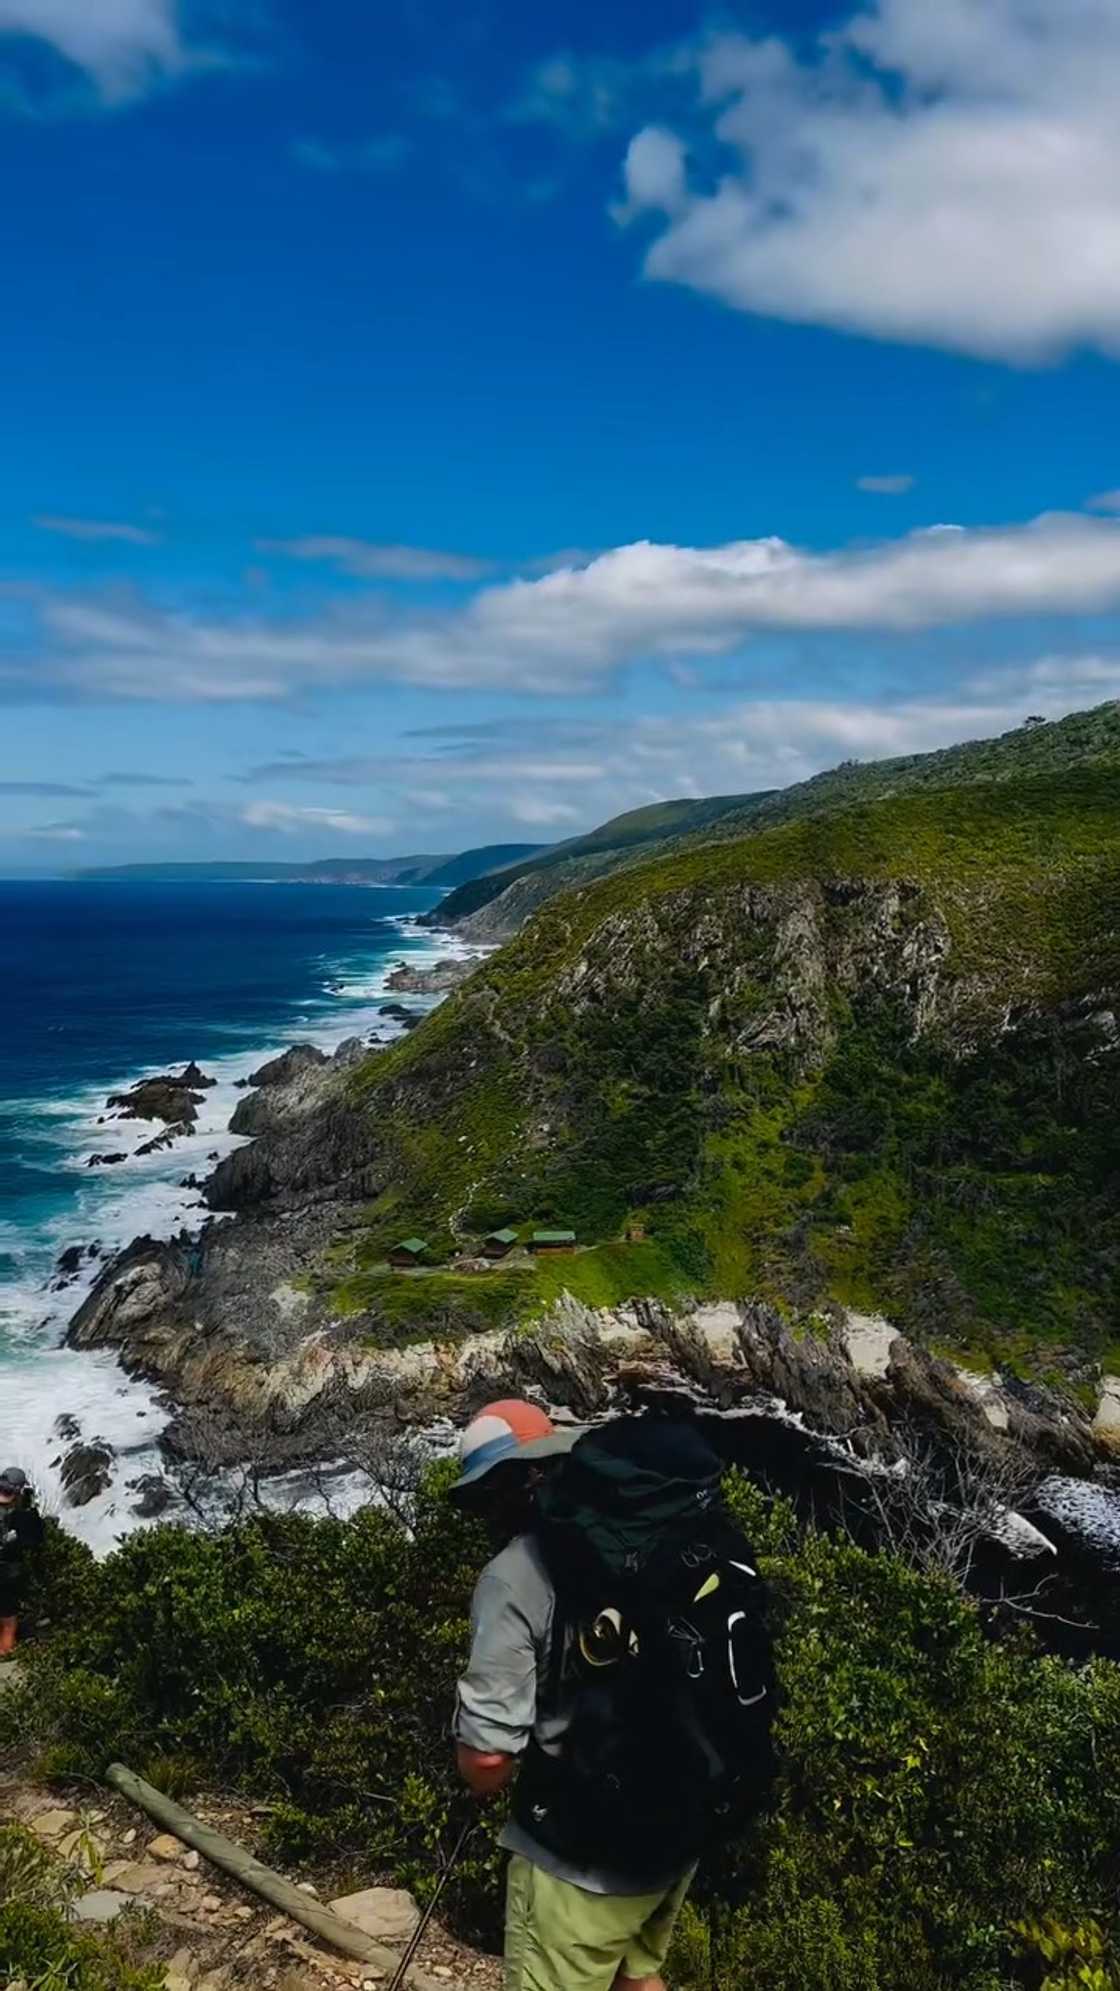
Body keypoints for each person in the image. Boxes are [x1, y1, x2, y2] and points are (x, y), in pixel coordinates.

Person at [451, 1403, 773, 1991]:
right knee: (638, 1977)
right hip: (676, 1826)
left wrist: (475, 1767)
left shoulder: (515, 1574)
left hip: (580, 1855)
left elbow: (488, 1762)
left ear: (499, 1490)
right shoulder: (658, 1531)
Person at [0, 1466, 45, 1661]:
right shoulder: (19, 1514)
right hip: (7, 1573)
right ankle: (4, 1656)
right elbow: (34, 1540)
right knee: (8, 1622)